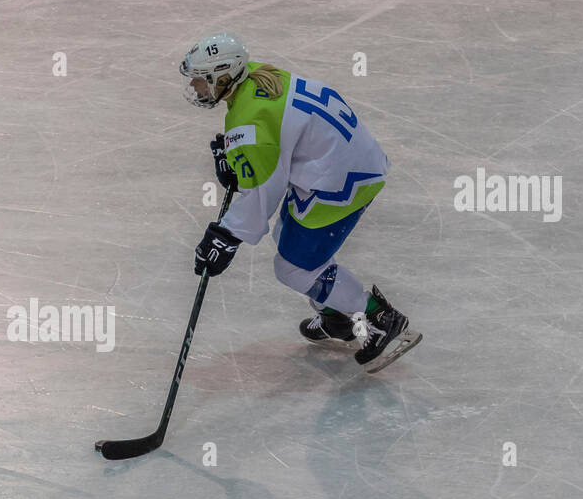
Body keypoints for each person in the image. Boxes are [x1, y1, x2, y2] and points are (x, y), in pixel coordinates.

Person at [180, 32, 420, 371]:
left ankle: (379, 316)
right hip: (343, 163)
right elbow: (274, 145)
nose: (195, 87)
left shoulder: (248, 121)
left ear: (223, 77)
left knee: (293, 267)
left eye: (201, 80)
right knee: (288, 240)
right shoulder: (257, 76)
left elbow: (265, 190)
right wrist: (239, 160)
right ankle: (337, 316)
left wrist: (227, 236)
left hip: (340, 181)